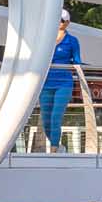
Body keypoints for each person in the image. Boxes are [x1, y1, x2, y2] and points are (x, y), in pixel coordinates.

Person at [38, 10, 82, 149]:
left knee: (56, 117)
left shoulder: (72, 41)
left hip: (63, 83)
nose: (58, 22)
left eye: (62, 20)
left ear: (67, 23)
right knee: (46, 120)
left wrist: (80, 69)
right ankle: (58, 146)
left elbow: (77, 61)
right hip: (45, 82)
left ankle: (54, 149)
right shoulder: (44, 38)